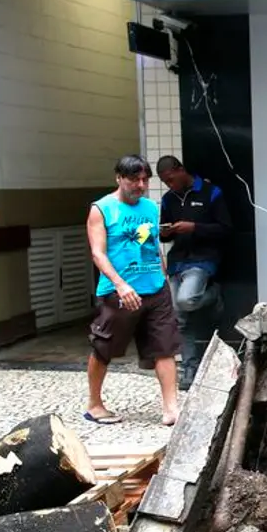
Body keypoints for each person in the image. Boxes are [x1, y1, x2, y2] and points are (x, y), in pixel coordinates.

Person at [86, 155, 181, 426]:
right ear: (119, 178)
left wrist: (163, 274)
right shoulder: (102, 209)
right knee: (104, 347)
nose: (140, 185)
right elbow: (98, 253)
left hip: (155, 288)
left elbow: (151, 243)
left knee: (164, 347)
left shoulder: (150, 207)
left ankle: (171, 408)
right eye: (134, 180)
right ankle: (94, 404)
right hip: (119, 291)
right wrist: (120, 284)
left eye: (144, 180)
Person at [156, 155, 233, 390]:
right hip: (178, 261)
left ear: (181, 170)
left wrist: (194, 228)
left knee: (186, 300)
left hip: (203, 259)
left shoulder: (211, 192)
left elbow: (226, 229)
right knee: (179, 317)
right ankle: (190, 367)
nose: (169, 185)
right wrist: (166, 232)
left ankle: (213, 295)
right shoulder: (168, 199)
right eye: (165, 182)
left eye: (171, 179)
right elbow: (163, 237)